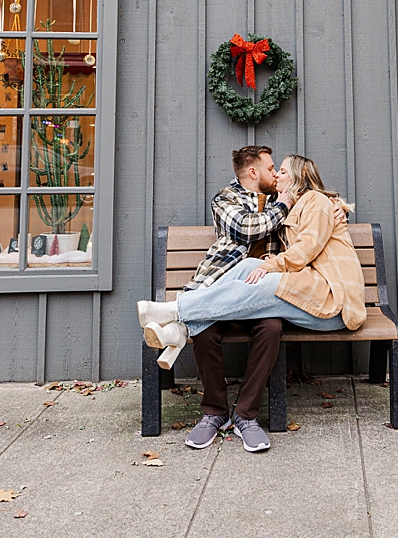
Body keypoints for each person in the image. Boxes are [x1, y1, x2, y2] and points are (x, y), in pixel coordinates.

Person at [138, 149, 356, 453]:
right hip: (223, 283)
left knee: (270, 329)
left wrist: (338, 207)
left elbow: (314, 221)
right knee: (206, 330)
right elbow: (246, 229)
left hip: (265, 290)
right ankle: (214, 411)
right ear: (254, 172)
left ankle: (245, 415)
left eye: (280, 170)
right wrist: (283, 206)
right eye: (271, 168)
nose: (276, 174)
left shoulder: (292, 203)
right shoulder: (227, 199)